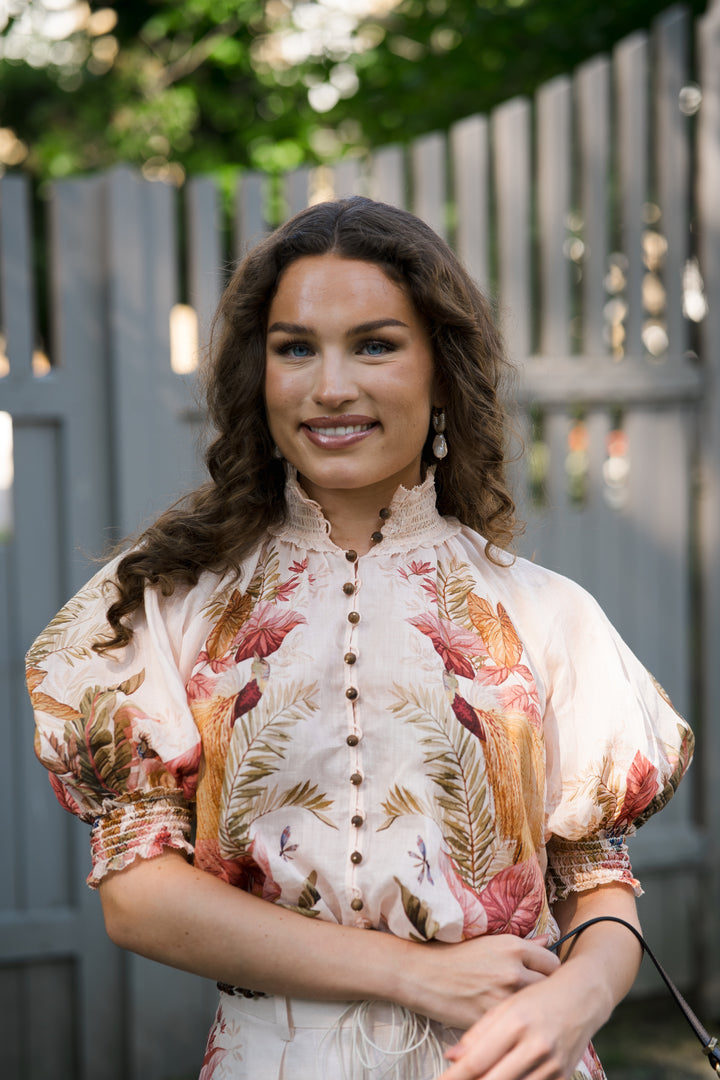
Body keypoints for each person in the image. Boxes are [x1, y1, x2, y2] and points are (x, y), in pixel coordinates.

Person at [27, 196, 693, 1080]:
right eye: (295, 348)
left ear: (442, 371)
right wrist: (416, 974)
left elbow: (596, 882)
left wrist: (580, 998)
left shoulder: (546, 613)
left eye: (375, 345)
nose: (331, 386)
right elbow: (137, 898)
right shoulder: (166, 602)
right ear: (258, 373)